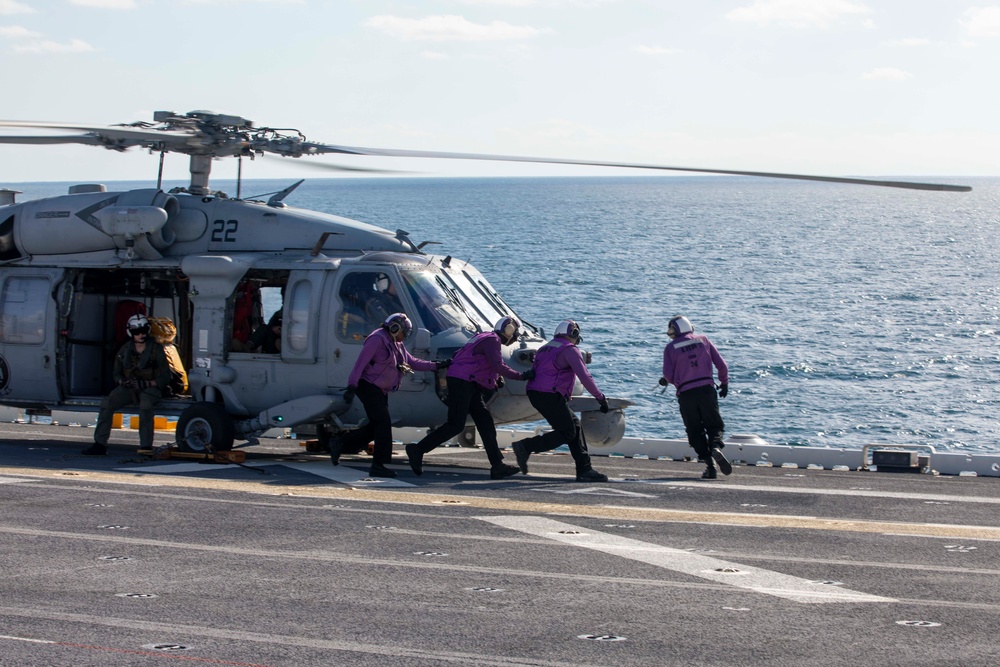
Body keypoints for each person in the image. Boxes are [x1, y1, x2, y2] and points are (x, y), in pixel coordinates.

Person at [406, 316, 530, 480]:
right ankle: (418, 450)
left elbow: (473, 360)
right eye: (515, 333)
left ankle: (497, 466)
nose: (515, 337)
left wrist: (494, 379)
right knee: (456, 425)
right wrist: (522, 376)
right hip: (463, 383)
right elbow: (498, 365)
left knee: (485, 422)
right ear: (509, 330)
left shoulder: (482, 337)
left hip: (465, 383)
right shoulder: (492, 340)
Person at [332, 313, 449, 478]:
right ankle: (378, 465)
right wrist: (352, 386)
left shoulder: (397, 343)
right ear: (395, 327)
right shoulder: (376, 339)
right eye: (405, 332)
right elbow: (360, 364)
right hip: (367, 386)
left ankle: (340, 443)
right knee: (383, 424)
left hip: (379, 390)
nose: (405, 336)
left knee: (375, 427)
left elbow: (412, 362)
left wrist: (437, 366)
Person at [511, 320, 610, 482]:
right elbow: (584, 376)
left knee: (574, 426)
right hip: (549, 395)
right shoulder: (569, 349)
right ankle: (526, 446)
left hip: (536, 394)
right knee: (568, 431)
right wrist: (600, 397)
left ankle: (584, 469)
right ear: (574, 334)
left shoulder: (545, 348)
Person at [82, 314, 171, 456]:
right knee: (107, 404)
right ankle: (99, 444)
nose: (141, 335)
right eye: (137, 332)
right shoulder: (125, 350)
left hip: (150, 388)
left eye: (143, 331)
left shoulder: (156, 349)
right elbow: (116, 373)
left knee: (146, 405)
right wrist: (122, 382)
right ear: (131, 333)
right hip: (130, 388)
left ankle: (146, 446)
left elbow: (166, 376)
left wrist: (148, 383)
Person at [659, 315, 732, 479]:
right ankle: (715, 446)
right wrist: (724, 383)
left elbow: (668, 375)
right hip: (707, 390)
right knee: (714, 425)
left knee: (694, 431)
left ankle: (709, 465)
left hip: (686, 394)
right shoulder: (704, 340)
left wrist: (667, 380)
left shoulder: (670, 348)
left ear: (676, 330)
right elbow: (722, 365)